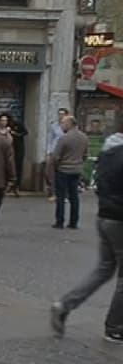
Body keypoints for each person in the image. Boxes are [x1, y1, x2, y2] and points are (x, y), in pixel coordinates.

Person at [51, 126, 123, 343]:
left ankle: (65, 305)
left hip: (105, 216)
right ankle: (115, 327)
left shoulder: (109, 151)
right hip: (120, 219)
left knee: (104, 268)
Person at [52, 115, 89, 230]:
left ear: (69, 124)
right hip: (76, 170)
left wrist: (56, 166)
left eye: (63, 123)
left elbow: (56, 156)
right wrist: (79, 163)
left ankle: (60, 221)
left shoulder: (64, 138)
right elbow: (85, 155)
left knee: (61, 196)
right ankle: (73, 222)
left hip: (63, 170)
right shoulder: (84, 137)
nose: (62, 125)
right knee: (74, 197)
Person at [46, 108, 69, 201]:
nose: (60, 116)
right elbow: (50, 139)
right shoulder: (54, 126)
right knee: (51, 174)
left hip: (65, 153)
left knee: (64, 173)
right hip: (54, 151)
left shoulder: (68, 127)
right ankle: (54, 193)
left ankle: (65, 195)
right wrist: (48, 152)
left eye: (63, 114)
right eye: (59, 114)